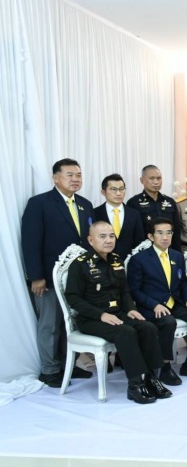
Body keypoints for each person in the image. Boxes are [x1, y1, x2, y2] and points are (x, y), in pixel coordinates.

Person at [64, 222, 170, 404]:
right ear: (91, 240)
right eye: (102, 236)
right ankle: (135, 385)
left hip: (118, 314)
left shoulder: (116, 260)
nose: (108, 240)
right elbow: (73, 298)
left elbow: (125, 292)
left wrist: (131, 309)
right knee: (126, 332)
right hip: (92, 318)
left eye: (111, 236)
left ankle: (152, 379)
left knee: (148, 328)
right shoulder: (80, 265)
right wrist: (100, 315)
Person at [21, 158, 94, 387]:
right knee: (50, 323)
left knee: (70, 322)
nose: (75, 179)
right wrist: (36, 276)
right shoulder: (39, 203)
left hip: (77, 278)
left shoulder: (85, 204)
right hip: (48, 278)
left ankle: (68, 365)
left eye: (79, 175)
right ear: (55, 178)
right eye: (70, 175)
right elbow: (31, 242)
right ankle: (50, 369)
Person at [127, 217, 187, 385]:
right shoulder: (139, 260)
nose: (165, 237)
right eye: (160, 233)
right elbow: (134, 291)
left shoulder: (177, 256)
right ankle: (165, 368)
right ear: (150, 236)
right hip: (152, 306)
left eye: (169, 233)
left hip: (175, 303)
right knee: (168, 322)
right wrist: (154, 304)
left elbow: (183, 282)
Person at [127, 165, 182, 250]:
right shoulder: (134, 202)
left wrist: (177, 252)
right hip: (146, 250)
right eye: (152, 178)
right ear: (142, 180)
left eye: (159, 178)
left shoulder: (170, 202)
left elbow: (176, 231)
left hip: (168, 250)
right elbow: (132, 232)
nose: (156, 182)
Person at [93, 173, 145, 259]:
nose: (118, 193)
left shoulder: (134, 214)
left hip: (129, 263)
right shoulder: (95, 213)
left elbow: (140, 242)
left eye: (121, 189)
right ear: (103, 192)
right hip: (103, 262)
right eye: (113, 189)